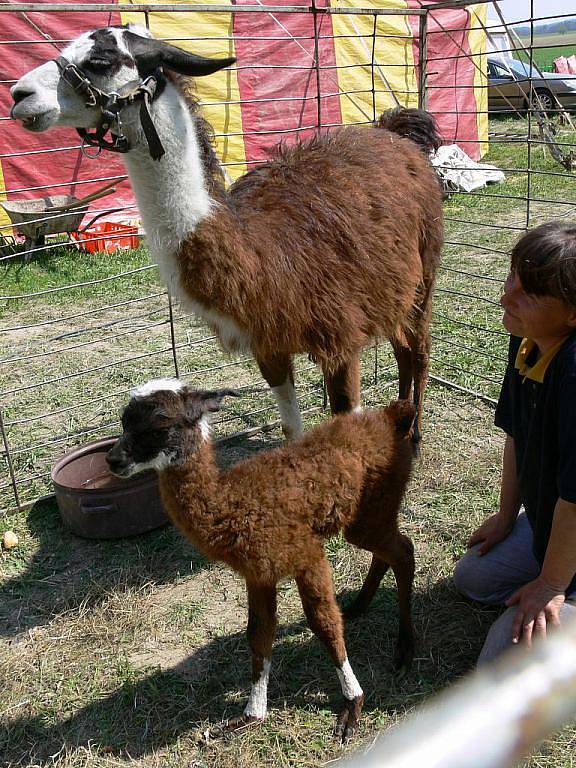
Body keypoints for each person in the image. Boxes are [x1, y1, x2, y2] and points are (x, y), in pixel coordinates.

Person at [454, 220, 576, 663]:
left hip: (572, 514)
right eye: (513, 278)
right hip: (557, 517)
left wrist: (550, 585)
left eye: (530, 294)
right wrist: (507, 516)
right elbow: (517, 433)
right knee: (474, 578)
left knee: (497, 666)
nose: (507, 296)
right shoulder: (527, 339)